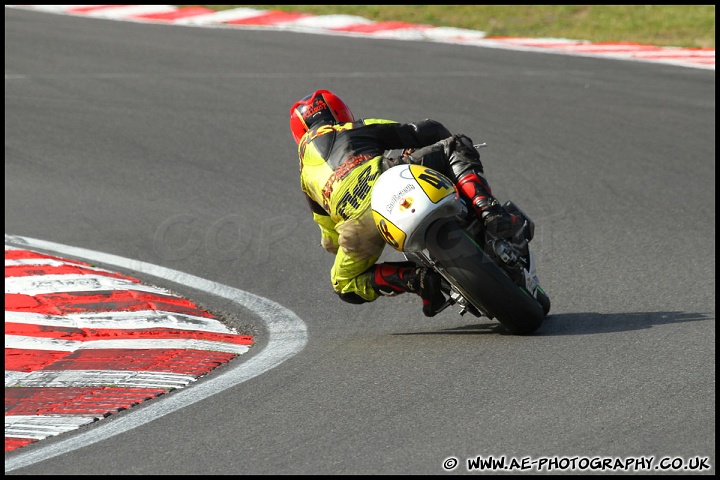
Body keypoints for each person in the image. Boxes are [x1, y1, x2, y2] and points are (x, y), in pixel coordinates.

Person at [290, 89, 518, 317]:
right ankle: (487, 209)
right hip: (384, 179)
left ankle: (417, 280)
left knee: (345, 283)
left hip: (356, 222)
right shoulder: (354, 127)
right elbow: (421, 131)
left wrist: (348, 245)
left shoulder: (305, 178)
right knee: (455, 145)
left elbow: (329, 239)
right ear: (340, 111)